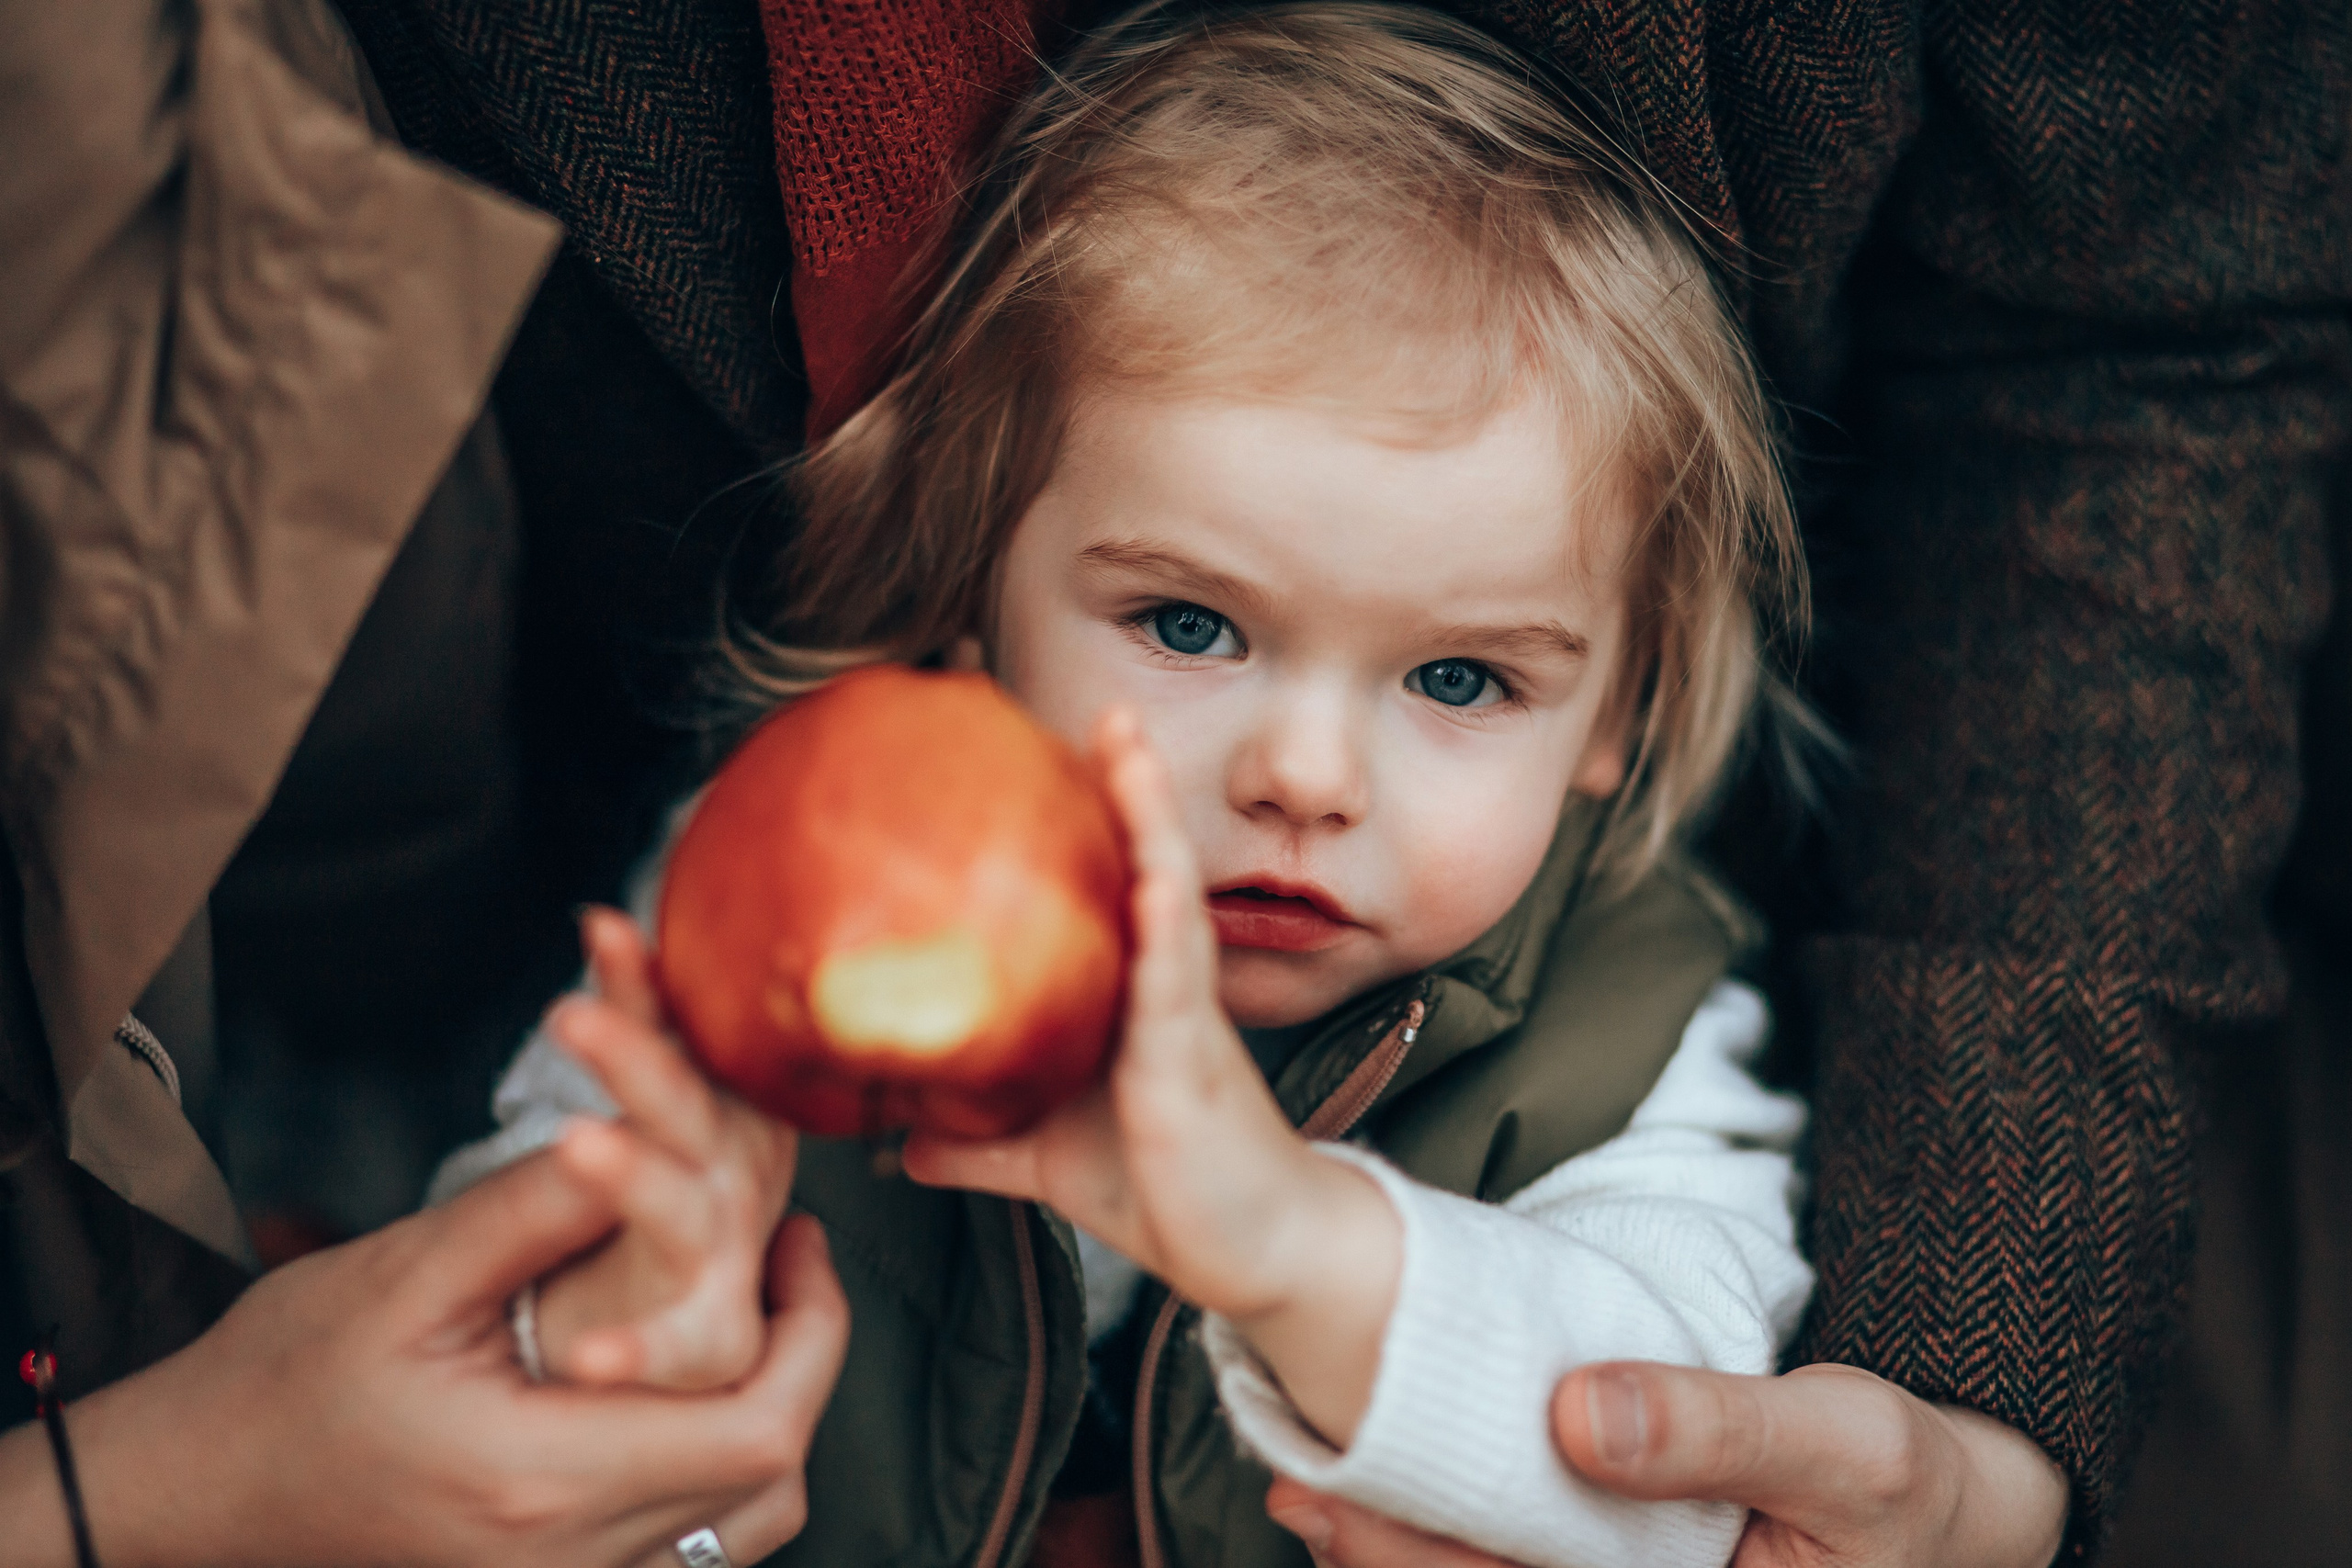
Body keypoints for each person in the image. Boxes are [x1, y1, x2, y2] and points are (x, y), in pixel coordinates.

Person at [436, 10, 1818, 1568]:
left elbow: (1690, 1480)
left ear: (1613, 719)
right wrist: (623, 1334)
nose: (1303, 776)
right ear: (978, 594)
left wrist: (1294, 1246)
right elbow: (462, 1350)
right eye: (1187, 625)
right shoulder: (809, 876)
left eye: (1458, 680)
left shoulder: (1634, 1024)